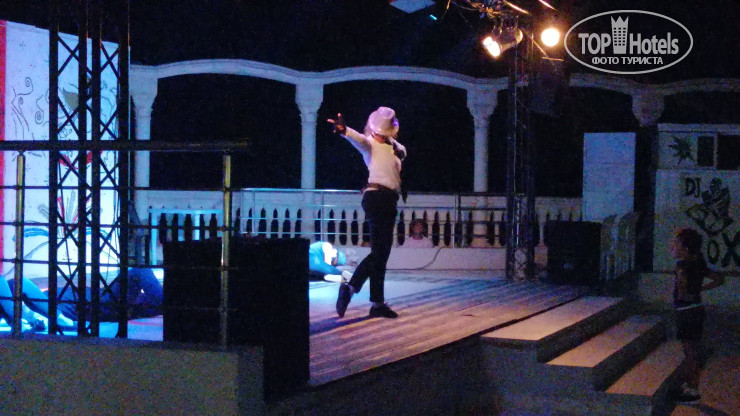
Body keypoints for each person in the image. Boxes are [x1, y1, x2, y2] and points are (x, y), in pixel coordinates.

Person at [328, 106, 406, 319]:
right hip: (376, 197)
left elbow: (403, 152)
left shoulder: (395, 147)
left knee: (381, 253)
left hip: (389, 199)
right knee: (380, 253)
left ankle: (376, 303)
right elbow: (358, 139)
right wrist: (344, 130)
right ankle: (352, 288)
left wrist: (394, 145)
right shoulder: (369, 144)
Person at [668, 228, 725, 403]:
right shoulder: (699, 262)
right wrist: (700, 289)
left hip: (686, 312)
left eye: (676, 244)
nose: (672, 246)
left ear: (685, 249)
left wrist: (684, 287)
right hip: (696, 309)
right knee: (692, 350)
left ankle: (692, 390)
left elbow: (683, 293)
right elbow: (719, 279)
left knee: (690, 352)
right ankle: (690, 386)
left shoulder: (682, 266)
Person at [2, 267, 162, 325]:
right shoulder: (38, 306)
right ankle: (168, 304)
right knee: (140, 272)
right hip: (94, 304)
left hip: (93, 302)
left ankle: (167, 303)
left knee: (13, 283)